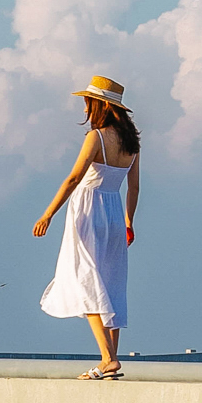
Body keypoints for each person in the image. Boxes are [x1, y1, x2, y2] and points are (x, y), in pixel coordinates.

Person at [33, 75, 140, 379]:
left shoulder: (96, 137)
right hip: (115, 211)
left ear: (100, 106)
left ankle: (107, 359)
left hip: (88, 211)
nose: (84, 109)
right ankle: (112, 358)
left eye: (87, 103)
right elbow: (134, 187)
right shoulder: (132, 144)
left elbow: (73, 178)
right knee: (112, 283)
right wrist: (129, 221)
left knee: (84, 278)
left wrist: (47, 214)